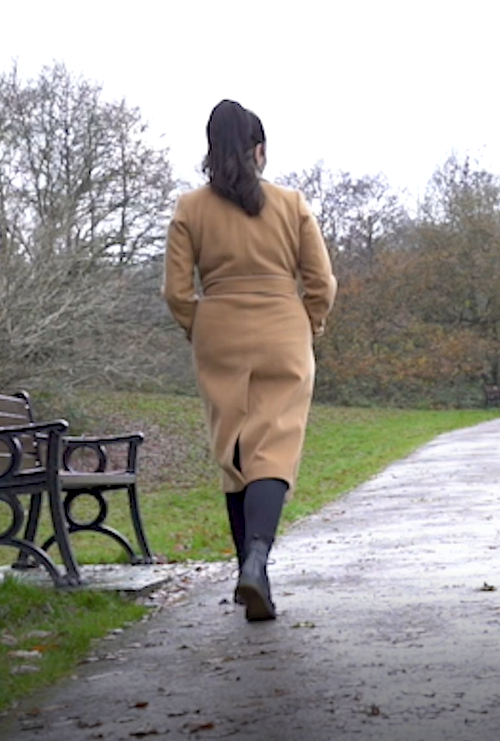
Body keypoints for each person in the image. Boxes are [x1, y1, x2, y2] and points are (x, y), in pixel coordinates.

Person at [162, 100, 337, 622]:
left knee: (235, 448)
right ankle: (257, 562)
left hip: (218, 328)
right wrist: (310, 323)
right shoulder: (290, 204)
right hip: (283, 326)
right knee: (274, 444)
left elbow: (175, 291)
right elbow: (321, 282)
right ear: (259, 152)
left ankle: (248, 569)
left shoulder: (190, 208)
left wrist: (199, 326)